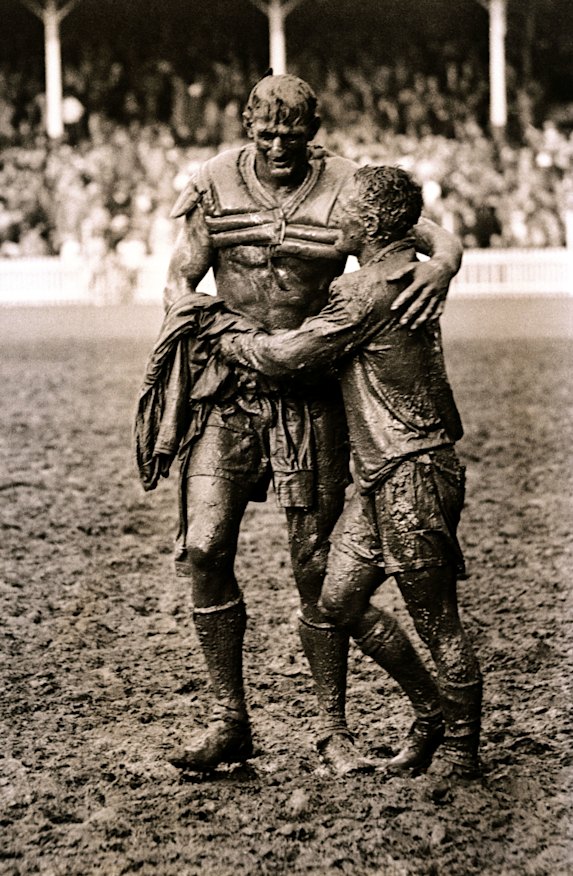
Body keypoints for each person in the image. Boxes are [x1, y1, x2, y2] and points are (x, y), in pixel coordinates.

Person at [147, 73, 463, 775]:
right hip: (226, 391)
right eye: (266, 132)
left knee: (313, 568)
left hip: (311, 393)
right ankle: (229, 720)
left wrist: (442, 267)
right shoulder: (212, 181)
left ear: (313, 129)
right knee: (203, 548)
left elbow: (429, 233)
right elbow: (181, 272)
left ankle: (331, 730)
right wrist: (187, 312)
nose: (279, 144)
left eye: (293, 133)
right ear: (246, 126)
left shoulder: (347, 183)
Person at [220, 165, 483, 783]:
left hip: (411, 470)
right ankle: (430, 714)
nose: (333, 216)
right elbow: (421, 233)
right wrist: (445, 256)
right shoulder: (400, 271)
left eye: (344, 210)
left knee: (437, 618)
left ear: (366, 224)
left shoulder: (364, 292)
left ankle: (463, 750)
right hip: (384, 474)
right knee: (336, 601)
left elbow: (289, 355)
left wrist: (228, 338)